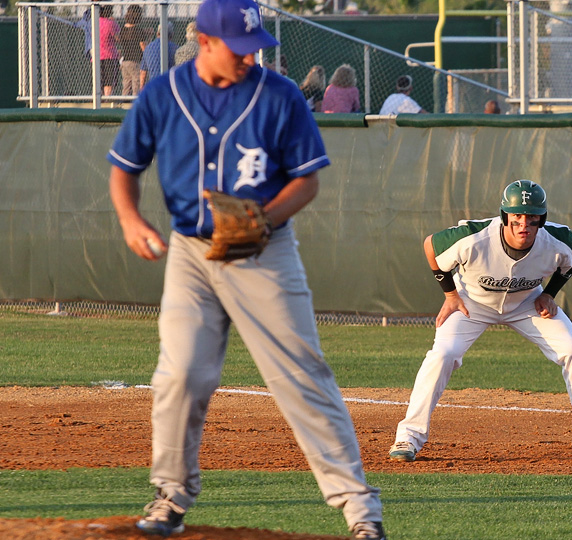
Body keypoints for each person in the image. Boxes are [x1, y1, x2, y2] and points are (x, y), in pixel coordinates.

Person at [106, 0, 385, 538]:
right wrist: (129, 219)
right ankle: (170, 497)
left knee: (302, 375)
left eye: (256, 47)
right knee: (181, 374)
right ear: (206, 43)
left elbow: (306, 181)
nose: (250, 57)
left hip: (265, 251)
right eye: (241, 48)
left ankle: (360, 511)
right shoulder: (163, 94)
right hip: (191, 254)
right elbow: (125, 166)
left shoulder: (278, 95)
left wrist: (262, 219)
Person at [388, 180, 572, 463]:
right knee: (443, 354)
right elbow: (431, 245)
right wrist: (451, 294)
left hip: (526, 302)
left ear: (542, 218)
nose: (523, 223)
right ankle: (408, 438)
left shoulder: (557, 241)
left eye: (532, 217)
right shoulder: (473, 236)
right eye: (516, 216)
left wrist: (550, 293)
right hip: (472, 302)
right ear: (505, 216)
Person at [118, 5, 151, 95]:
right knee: (136, 83)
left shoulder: (123, 30)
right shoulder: (138, 30)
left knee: (126, 84)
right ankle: (135, 101)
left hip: (125, 61)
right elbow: (143, 46)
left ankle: (124, 102)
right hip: (136, 61)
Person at [140, 22, 178, 88]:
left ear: (157, 33)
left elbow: (143, 73)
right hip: (169, 86)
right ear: (171, 34)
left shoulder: (148, 48)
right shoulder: (175, 48)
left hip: (154, 85)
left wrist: (142, 89)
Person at [98, 4, 120, 96]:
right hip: (110, 56)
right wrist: (115, 23)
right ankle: (107, 100)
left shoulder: (95, 22)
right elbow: (118, 38)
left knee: (99, 81)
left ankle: (98, 101)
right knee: (109, 82)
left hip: (97, 56)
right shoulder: (110, 23)